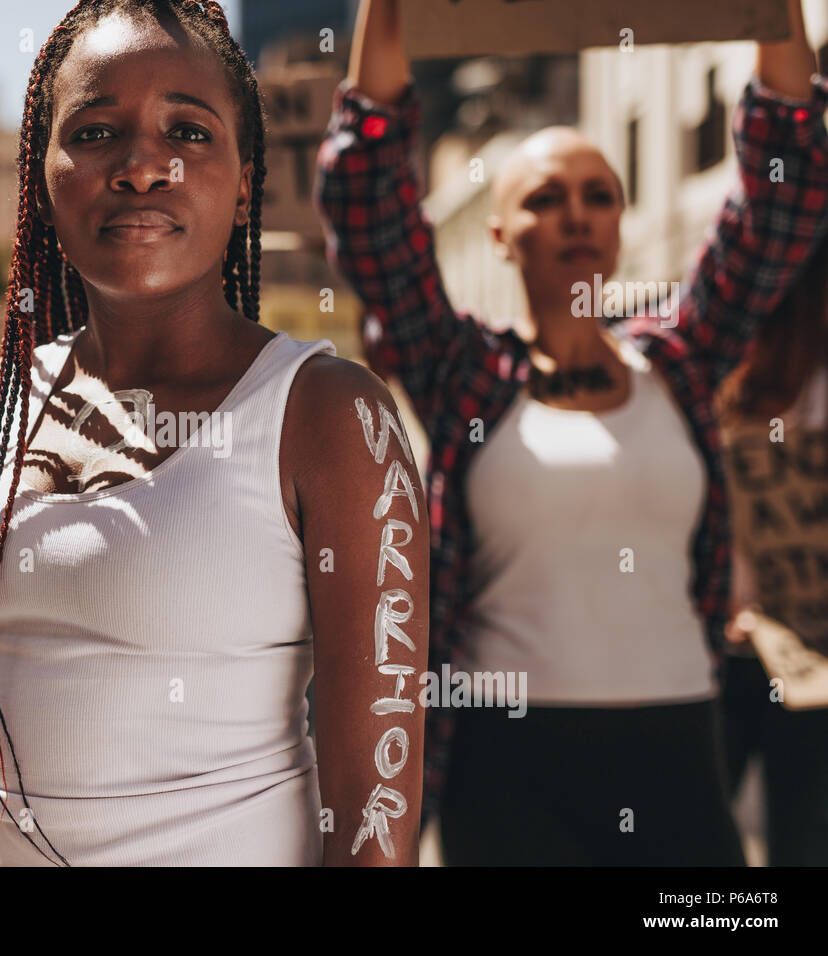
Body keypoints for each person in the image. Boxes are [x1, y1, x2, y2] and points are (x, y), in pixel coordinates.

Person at [0, 0, 430, 867]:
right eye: (96, 132)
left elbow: (373, 813)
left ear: (246, 176)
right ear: (45, 171)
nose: (143, 165)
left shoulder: (330, 418)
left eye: (188, 129)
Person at [315, 0, 828, 865]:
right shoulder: (461, 369)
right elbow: (370, 209)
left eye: (599, 196)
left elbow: (782, 196)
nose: (577, 214)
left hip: (681, 748)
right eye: (545, 198)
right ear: (501, 234)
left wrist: (773, 15)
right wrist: (387, 9)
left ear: (622, 227)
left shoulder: (683, 360)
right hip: (506, 764)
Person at [716, 234, 828, 866]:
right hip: (730, 650)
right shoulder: (719, 381)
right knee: (695, 835)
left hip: (817, 660)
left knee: (805, 838)